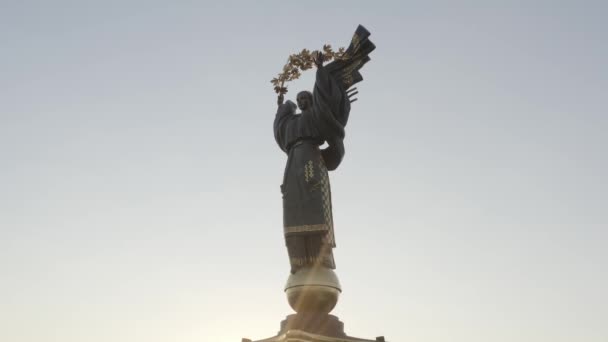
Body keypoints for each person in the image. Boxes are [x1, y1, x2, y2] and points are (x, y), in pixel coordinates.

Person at [274, 25, 375, 274]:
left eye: (305, 98)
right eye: (298, 101)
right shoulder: (291, 122)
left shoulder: (317, 115)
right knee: (292, 209)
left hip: (311, 160)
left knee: (314, 206)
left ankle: (321, 259)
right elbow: (280, 129)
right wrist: (280, 105)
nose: (301, 102)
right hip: (293, 165)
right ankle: (298, 262)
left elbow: (323, 100)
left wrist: (320, 71)